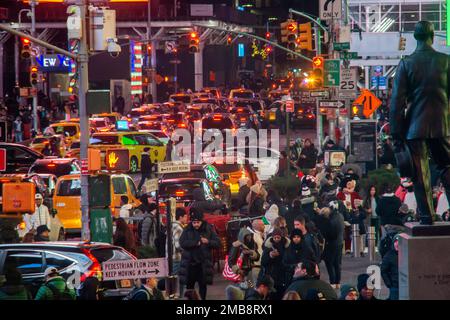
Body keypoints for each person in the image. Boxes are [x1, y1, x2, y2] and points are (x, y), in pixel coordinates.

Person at [390, 21, 450, 225]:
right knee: (447, 166)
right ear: (432, 35)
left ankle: (426, 216)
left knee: (419, 173)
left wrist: (396, 135)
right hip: (442, 123)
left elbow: (396, 103)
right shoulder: (445, 61)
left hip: (415, 126)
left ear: (415, 38)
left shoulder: (406, 63)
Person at [179, 209, 220, 300]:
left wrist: (208, 241)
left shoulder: (208, 229)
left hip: (203, 265)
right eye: (194, 222)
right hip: (190, 265)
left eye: (198, 222)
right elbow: (182, 243)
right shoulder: (187, 229)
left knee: (203, 287)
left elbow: (217, 243)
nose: (196, 225)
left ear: (202, 221)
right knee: (189, 288)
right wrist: (195, 243)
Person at [260, 227, 290, 300]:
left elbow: (288, 260)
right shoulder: (268, 247)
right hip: (271, 276)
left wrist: (280, 255)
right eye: (275, 237)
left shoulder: (286, 246)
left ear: (281, 237)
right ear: (272, 237)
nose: (276, 239)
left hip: (283, 276)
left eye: (278, 237)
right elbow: (263, 262)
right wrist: (270, 256)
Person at [321, 202, 345, 289]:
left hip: (331, 244)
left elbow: (330, 233)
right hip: (340, 243)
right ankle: (338, 282)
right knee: (337, 263)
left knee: (329, 263)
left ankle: (332, 282)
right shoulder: (340, 216)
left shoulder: (331, 220)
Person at [381, 234, 400, 300]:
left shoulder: (407, 253)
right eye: (395, 242)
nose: (397, 244)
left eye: (399, 242)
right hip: (394, 287)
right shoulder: (389, 255)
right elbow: (383, 271)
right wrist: (389, 283)